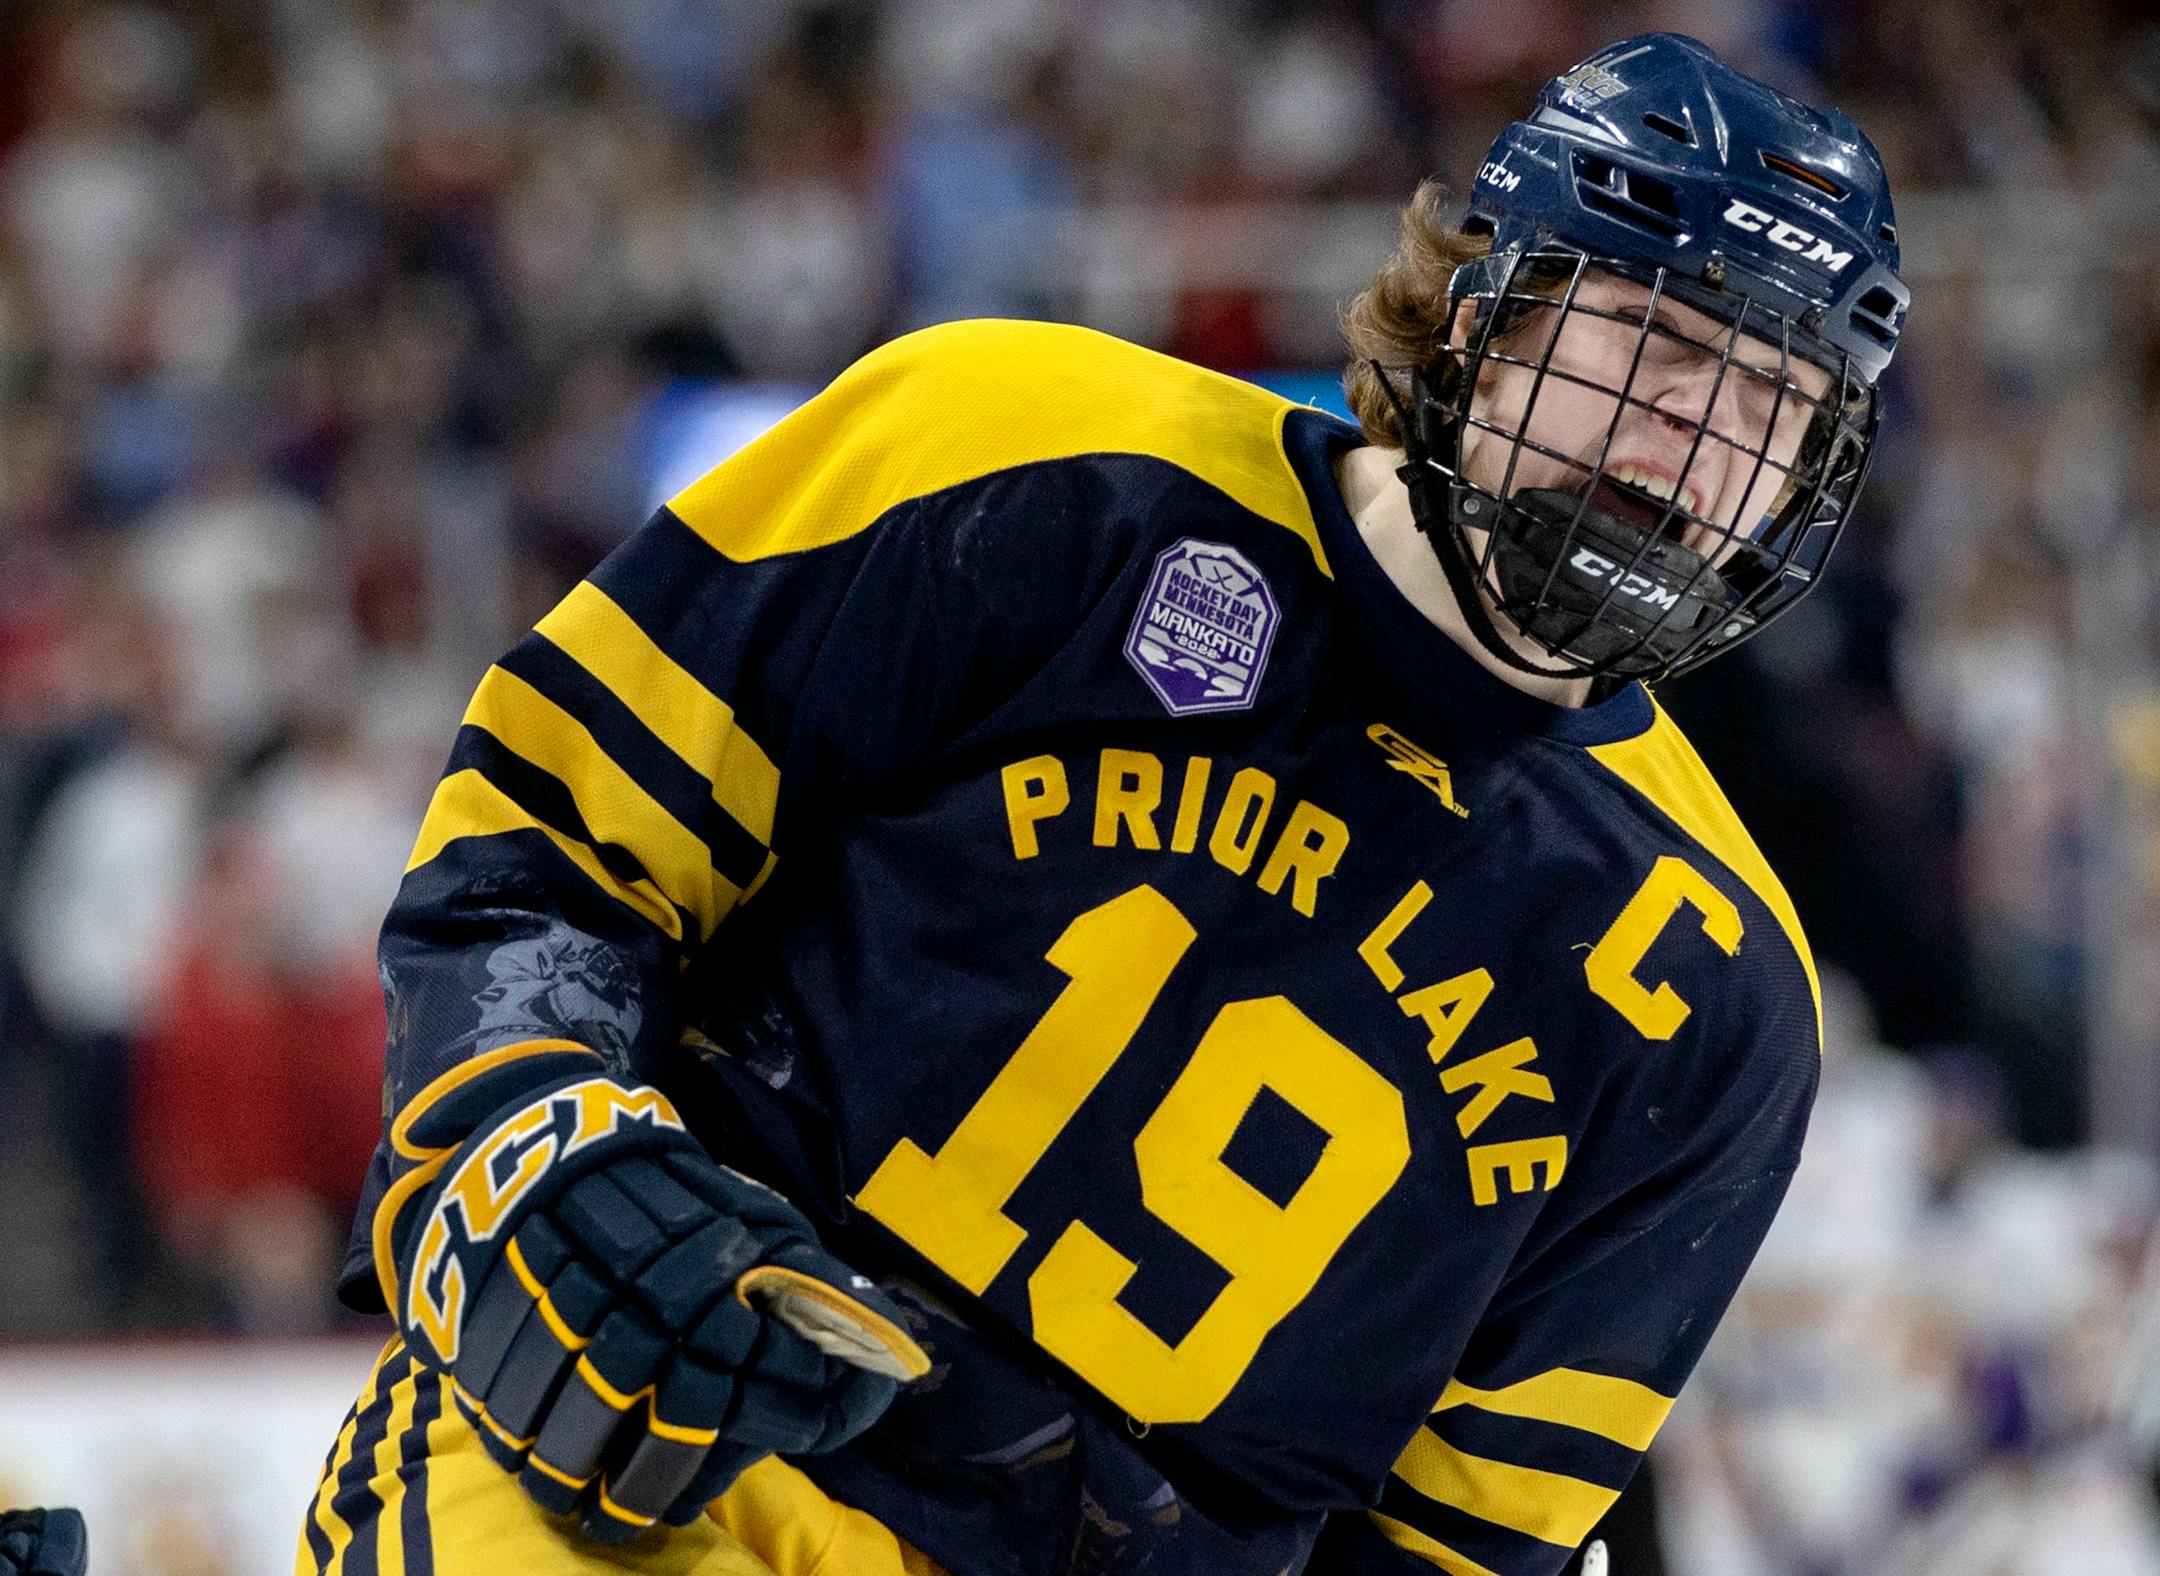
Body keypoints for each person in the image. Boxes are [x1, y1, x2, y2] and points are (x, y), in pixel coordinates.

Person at [297, 31, 1906, 1576]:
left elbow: (1454, 1547)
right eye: (1661, 346)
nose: (1692, 456)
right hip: (639, 1471)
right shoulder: (1016, 455)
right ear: (1487, 308)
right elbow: (551, 847)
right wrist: (532, 1135)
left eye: (1774, 409)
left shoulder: (1717, 1001)